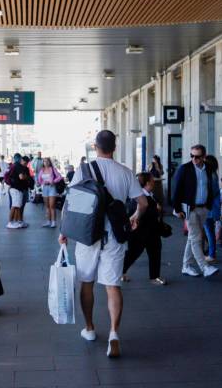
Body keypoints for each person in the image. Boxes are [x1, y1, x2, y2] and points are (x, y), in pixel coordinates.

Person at [59, 130, 147, 358]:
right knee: (112, 286)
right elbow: (143, 202)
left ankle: (89, 329)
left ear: (95, 146)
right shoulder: (126, 172)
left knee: (86, 282)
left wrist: (64, 231)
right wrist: (134, 216)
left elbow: (73, 201)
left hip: (88, 234)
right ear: (114, 147)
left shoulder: (84, 169)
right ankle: (114, 334)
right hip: (115, 235)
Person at [171, 144, 219, 278]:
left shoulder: (208, 169)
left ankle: (186, 266)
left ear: (203, 157)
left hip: (203, 208)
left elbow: (211, 187)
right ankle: (205, 267)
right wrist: (177, 208)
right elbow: (177, 189)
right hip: (190, 208)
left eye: (197, 157)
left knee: (192, 239)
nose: (194, 159)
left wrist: (209, 205)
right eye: (192, 156)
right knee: (197, 238)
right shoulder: (184, 169)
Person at [122, 172, 166, 285]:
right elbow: (142, 213)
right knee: (138, 253)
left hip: (145, 231)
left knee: (135, 253)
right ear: (147, 183)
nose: (154, 182)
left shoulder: (143, 195)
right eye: (152, 180)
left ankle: (120, 273)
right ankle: (154, 277)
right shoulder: (142, 197)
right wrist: (157, 210)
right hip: (143, 231)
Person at [203, 155, 221, 263]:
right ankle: (211, 251)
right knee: (208, 231)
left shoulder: (211, 176)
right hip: (211, 208)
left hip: (209, 208)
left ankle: (212, 254)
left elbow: (211, 193)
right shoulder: (213, 174)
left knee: (209, 231)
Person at [6, 153, 30, 229]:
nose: (25, 164)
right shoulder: (19, 166)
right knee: (14, 205)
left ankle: (19, 221)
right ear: (22, 160)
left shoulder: (16, 166)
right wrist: (26, 177)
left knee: (18, 206)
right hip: (16, 189)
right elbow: (21, 177)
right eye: (25, 163)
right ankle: (10, 222)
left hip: (16, 189)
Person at [37, 157, 63, 228]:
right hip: (44, 188)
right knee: (47, 206)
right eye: (44, 161)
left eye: (47, 161)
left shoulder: (53, 169)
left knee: (52, 206)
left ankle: (53, 222)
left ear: (49, 162)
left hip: (52, 188)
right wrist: (40, 183)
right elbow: (39, 179)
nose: (46, 163)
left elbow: (60, 177)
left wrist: (53, 181)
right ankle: (48, 221)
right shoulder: (42, 170)